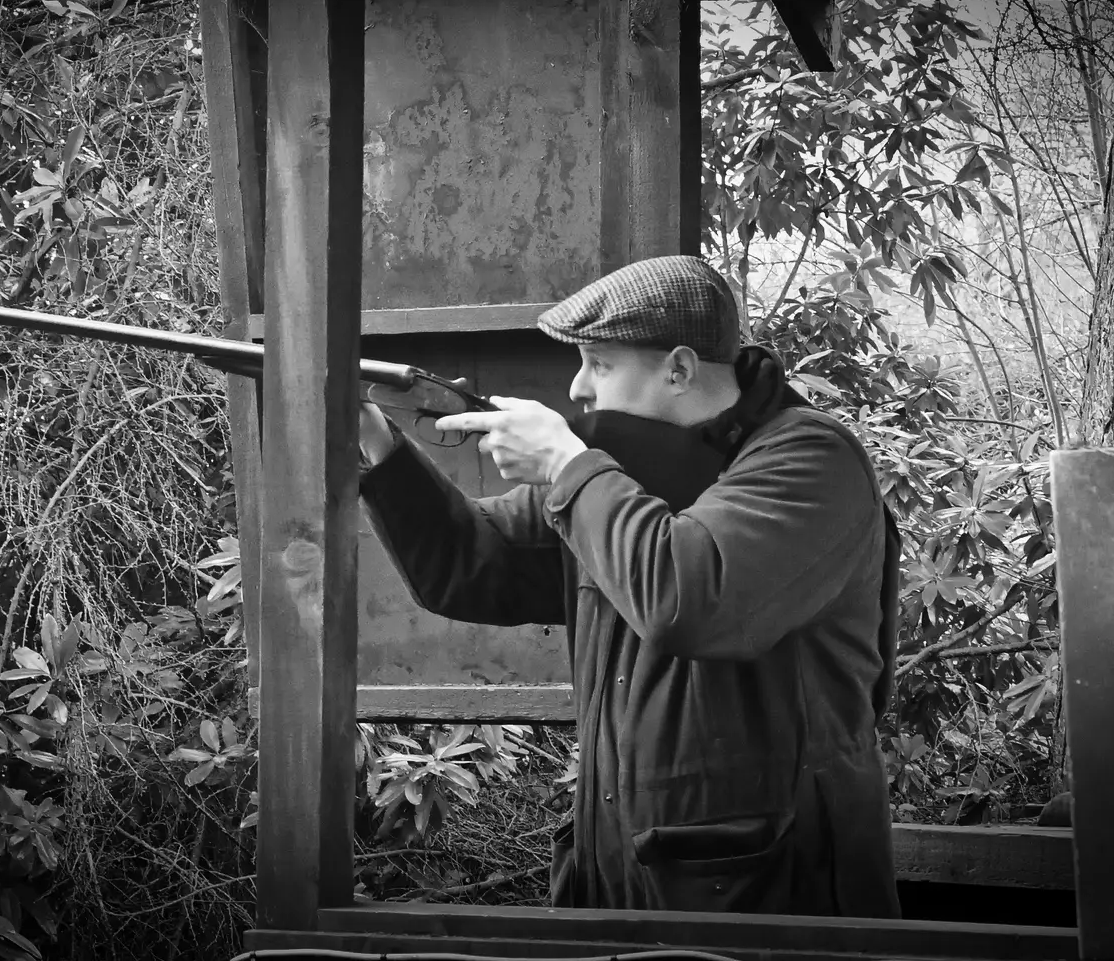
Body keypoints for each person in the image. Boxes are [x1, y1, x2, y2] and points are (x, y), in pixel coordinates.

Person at [355, 255, 901, 917]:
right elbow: (468, 565)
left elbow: (688, 599)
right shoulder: (620, 479)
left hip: (775, 897)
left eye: (602, 364)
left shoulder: (811, 460)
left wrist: (568, 465)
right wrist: (375, 440)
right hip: (619, 876)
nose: (579, 388)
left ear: (677, 369)